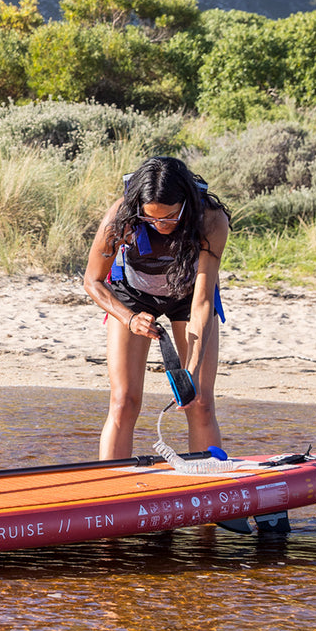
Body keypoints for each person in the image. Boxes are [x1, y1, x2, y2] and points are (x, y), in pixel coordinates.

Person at [83, 156, 230, 459]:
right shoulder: (120, 217)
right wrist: (129, 318)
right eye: (150, 219)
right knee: (124, 401)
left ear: (186, 204)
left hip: (188, 293)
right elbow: (93, 281)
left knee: (199, 400)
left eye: (169, 218)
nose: (160, 225)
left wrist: (189, 372)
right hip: (133, 294)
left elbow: (202, 301)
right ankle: (111, 488)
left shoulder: (211, 220)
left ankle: (210, 485)